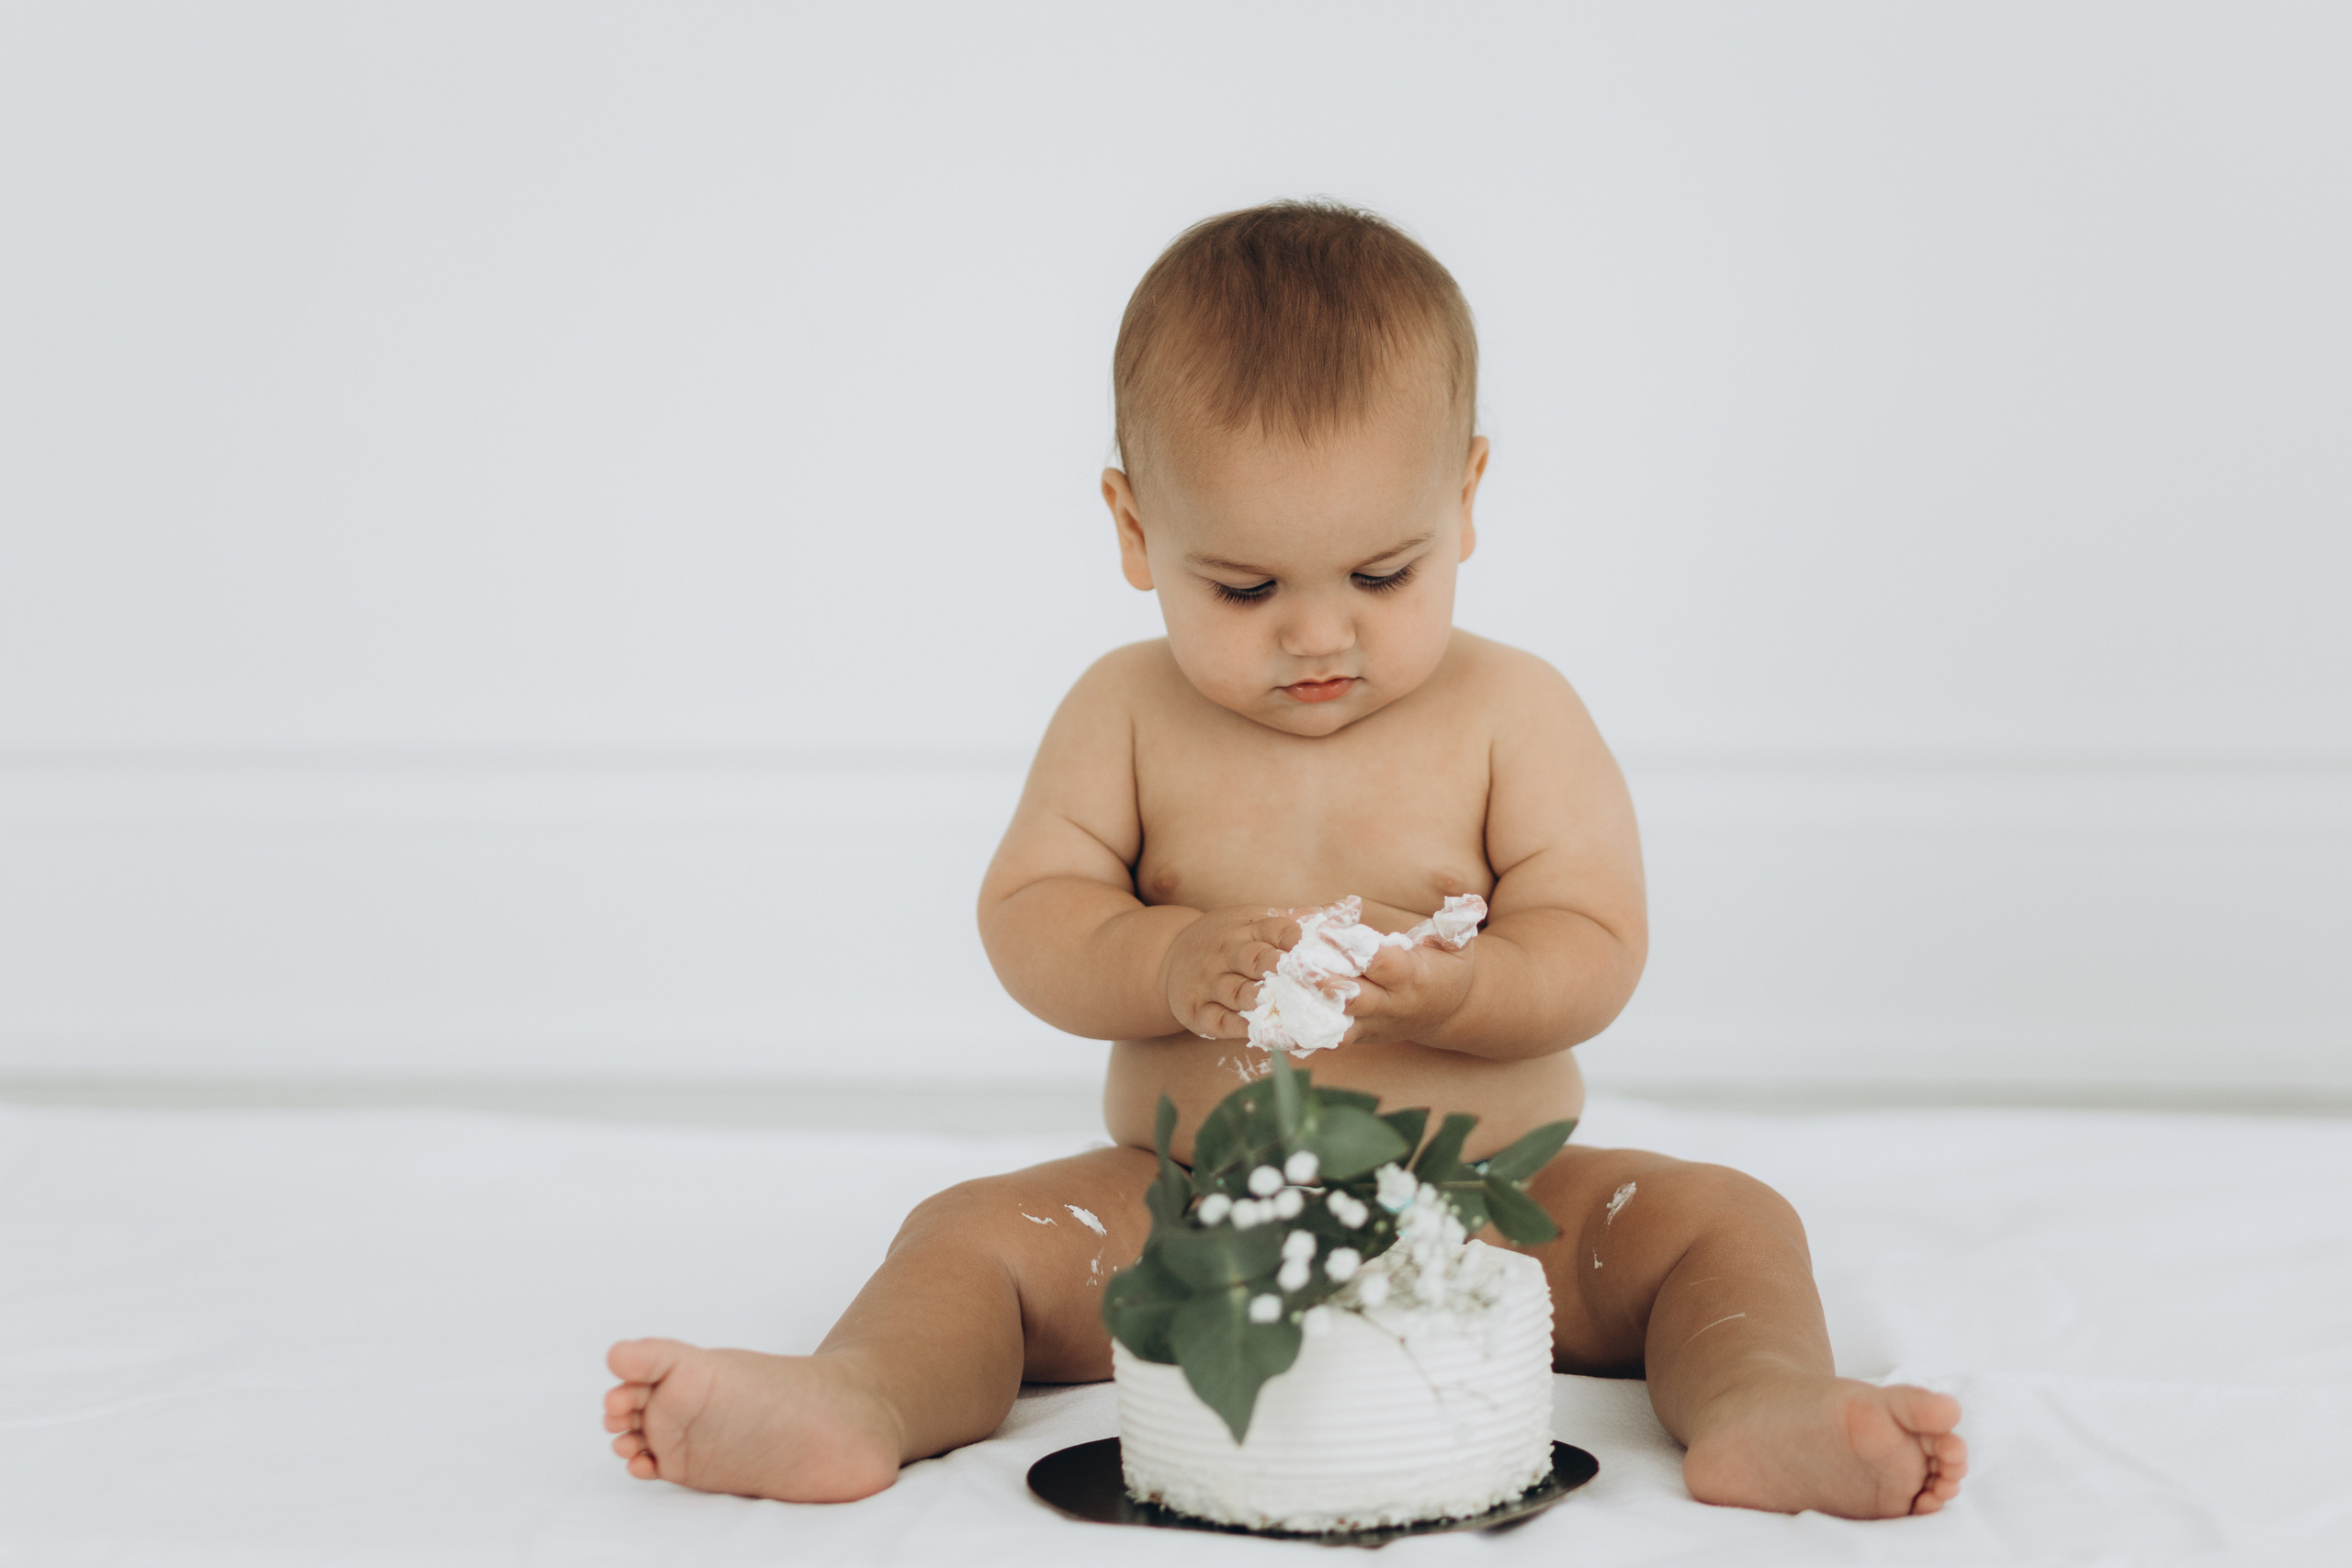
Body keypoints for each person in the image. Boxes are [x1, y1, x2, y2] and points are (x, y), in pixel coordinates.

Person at [602, 201, 1967, 1517]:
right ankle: (861, 1399)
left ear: (1468, 497)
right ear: (1137, 532)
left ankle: (1764, 1401)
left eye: (1383, 575)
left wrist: (1464, 994)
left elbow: (1595, 944)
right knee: (967, 1234)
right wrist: (1165, 957)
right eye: (1245, 589)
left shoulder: (1514, 714)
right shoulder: (1124, 715)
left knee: (1721, 1220)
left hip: (1493, 1210)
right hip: (1185, 1213)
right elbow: (1030, 916)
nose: (1320, 635)